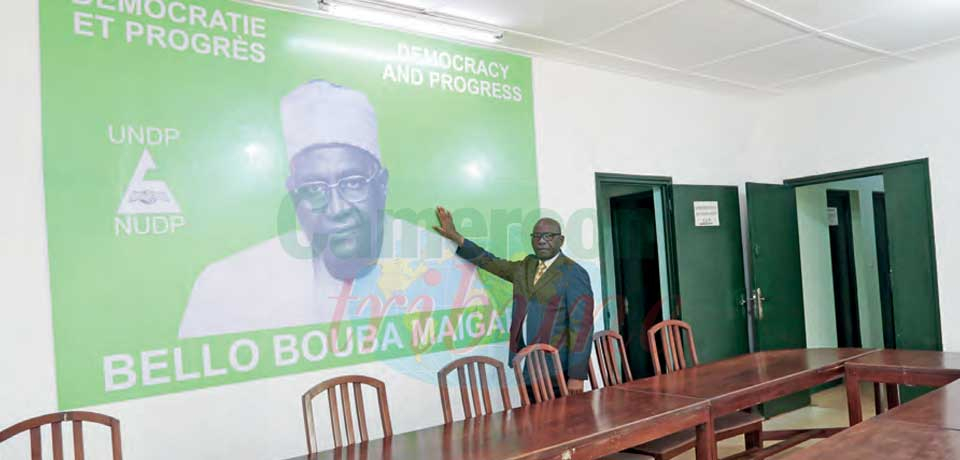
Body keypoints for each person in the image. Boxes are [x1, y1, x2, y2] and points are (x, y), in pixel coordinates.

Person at [179, 80, 486, 338]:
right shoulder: (226, 286)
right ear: (294, 195)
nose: (337, 208)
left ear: (382, 186)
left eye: (353, 182)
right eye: (314, 189)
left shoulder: (443, 263)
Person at [434, 206, 594, 395]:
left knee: (562, 414)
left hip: (559, 368)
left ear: (561, 240)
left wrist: (576, 375)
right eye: (537, 236)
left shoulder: (574, 273)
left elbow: (582, 328)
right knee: (532, 412)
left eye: (549, 236)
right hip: (529, 364)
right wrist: (457, 237)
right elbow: (491, 262)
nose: (542, 241)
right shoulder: (526, 266)